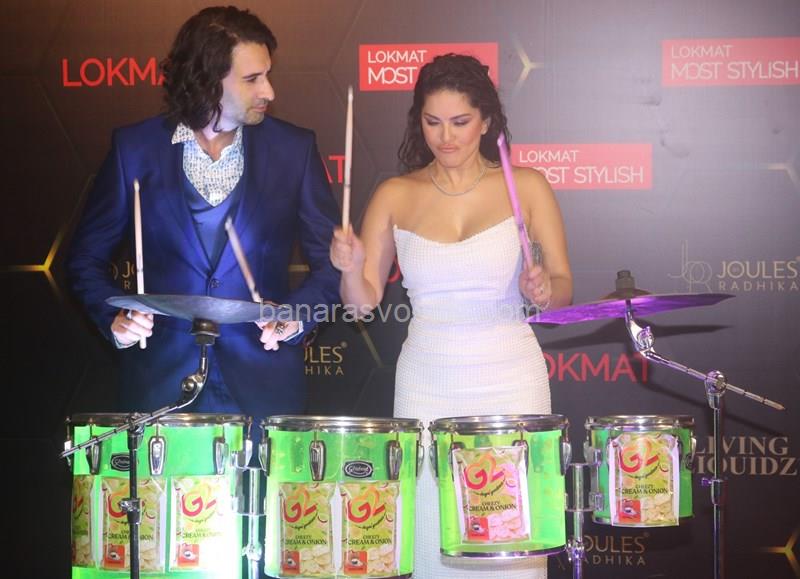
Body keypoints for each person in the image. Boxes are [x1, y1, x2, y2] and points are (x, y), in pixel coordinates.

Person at [329, 54, 572, 578]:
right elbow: (360, 303)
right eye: (432, 121)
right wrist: (348, 269)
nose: (445, 137)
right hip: (427, 382)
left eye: (460, 122)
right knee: (430, 536)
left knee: (510, 538)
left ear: (486, 120)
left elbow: (562, 289)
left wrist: (543, 289)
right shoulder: (396, 194)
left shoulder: (526, 186)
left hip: (510, 379)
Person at [67, 6, 340, 430]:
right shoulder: (134, 149)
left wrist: (296, 316)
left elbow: (333, 265)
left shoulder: (294, 150)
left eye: (268, 75)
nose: (269, 91)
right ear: (208, 79)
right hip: (159, 386)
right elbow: (85, 259)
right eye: (252, 78)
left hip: (265, 387)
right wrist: (114, 319)